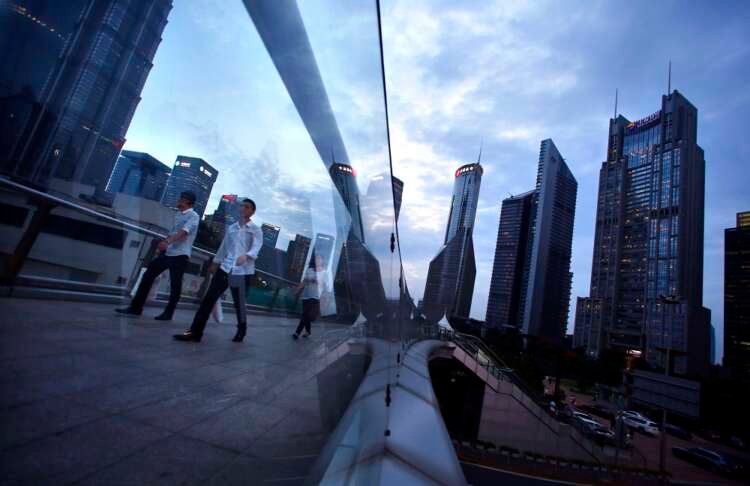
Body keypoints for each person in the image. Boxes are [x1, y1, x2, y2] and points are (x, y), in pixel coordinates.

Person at [174, 198, 262, 343]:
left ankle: (242, 329)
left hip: (242, 271)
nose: (243, 209)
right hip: (225, 268)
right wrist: (215, 262)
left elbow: (257, 247)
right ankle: (195, 332)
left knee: (239, 303)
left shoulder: (255, 230)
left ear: (252, 212)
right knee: (208, 300)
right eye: (242, 206)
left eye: (247, 207)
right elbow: (224, 248)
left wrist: (247, 256)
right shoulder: (232, 228)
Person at [116, 191, 199, 320]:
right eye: (180, 198)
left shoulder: (193, 216)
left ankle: (168, 313)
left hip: (180, 255)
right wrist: (162, 247)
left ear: (188, 201)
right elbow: (173, 232)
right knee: (148, 275)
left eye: (181, 199)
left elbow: (184, 232)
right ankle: (136, 308)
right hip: (168, 252)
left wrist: (167, 241)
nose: (179, 201)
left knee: (175, 284)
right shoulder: (178, 214)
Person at [292, 255, 326, 339]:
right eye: (317, 259)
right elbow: (304, 281)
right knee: (305, 315)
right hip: (306, 295)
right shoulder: (309, 270)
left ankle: (297, 332)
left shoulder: (324, 272)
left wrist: (317, 281)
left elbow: (324, 285)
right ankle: (308, 331)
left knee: (305, 314)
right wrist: (297, 290)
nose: (318, 261)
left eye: (320, 259)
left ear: (322, 262)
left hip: (315, 296)